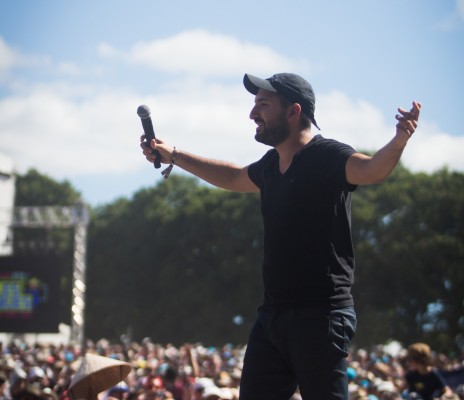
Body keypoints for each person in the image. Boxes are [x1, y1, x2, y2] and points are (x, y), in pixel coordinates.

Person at [140, 72, 421, 400]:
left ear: (293, 111)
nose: (252, 113)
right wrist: (173, 154)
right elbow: (232, 176)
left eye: (263, 104)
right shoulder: (271, 166)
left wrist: (400, 138)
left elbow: (373, 169)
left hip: (321, 316)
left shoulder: (328, 156)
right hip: (273, 316)